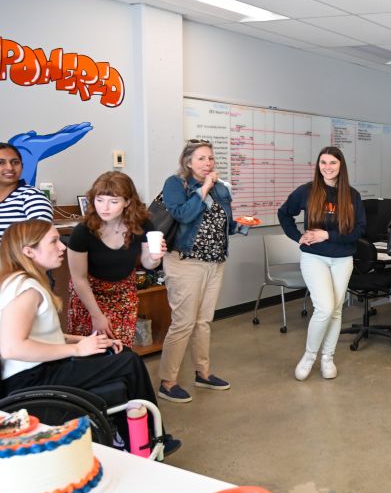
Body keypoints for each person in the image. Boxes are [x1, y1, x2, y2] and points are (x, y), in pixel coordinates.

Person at [0, 220, 179, 455]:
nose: (62, 247)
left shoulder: (22, 281)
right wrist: (77, 350)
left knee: (120, 351)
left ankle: (133, 438)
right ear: (28, 251)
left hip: (40, 368)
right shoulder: (27, 289)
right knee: (129, 362)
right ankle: (147, 441)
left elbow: (43, 334)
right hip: (32, 378)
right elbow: (12, 348)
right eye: (53, 241)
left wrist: (86, 341)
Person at [157, 140, 247, 403]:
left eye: (210, 158)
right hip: (185, 261)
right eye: (201, 159)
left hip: (215, 261)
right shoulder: (176, 184)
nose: (208, 163)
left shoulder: (221, 188)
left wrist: (239, 225)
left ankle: (203, 373)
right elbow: (183, 215)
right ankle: (168, 381)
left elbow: (224, 221)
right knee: (183, 322)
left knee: (203, 321)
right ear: (188, 162)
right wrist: (204, 188)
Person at [277, 146, 365, 381]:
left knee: (335, 311)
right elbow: (284, 213)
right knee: (325, 307)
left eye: (332, 163)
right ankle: (309, 356)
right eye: (323, 162)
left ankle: (328, 358)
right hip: (314, 257)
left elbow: (359, 230)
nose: (327, 167)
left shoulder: (352, 195)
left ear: (341, 166)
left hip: (343, 258)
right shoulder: (308, 190)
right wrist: (299, 237)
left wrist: (328, 235)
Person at [67, 171, 163, 345]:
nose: (105, 207)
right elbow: (78, 278)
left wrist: (155, 257)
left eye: (113, 201)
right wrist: (96, 315)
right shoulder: (82, 231)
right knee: (90, 350)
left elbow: (149, 263)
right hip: (89, 295)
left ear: (127, 202)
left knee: (121, 348)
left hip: (123, 292)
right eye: (99, 200)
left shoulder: (142, 225)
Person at [0, 141, 53, 240]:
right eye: (1, 162)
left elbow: (41, 240)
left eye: (15, 162)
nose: (10, 167)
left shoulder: (32, 196)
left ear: (22, 166)